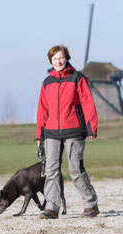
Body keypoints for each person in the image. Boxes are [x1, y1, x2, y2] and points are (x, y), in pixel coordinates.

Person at [36, 45, 99, 219]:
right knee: (51, 170)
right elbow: (42, 110)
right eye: (55, 58)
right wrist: (40, 134)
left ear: (67, 59)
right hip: (51, 133)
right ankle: (52, 208)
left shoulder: (77, 78)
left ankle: (91, 204)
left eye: (61, 58)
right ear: (51, 61)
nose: (58, 61)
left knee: (75, 170)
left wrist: (91, 127)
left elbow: (88, 103)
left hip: (74, 131)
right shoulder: (47, 82)